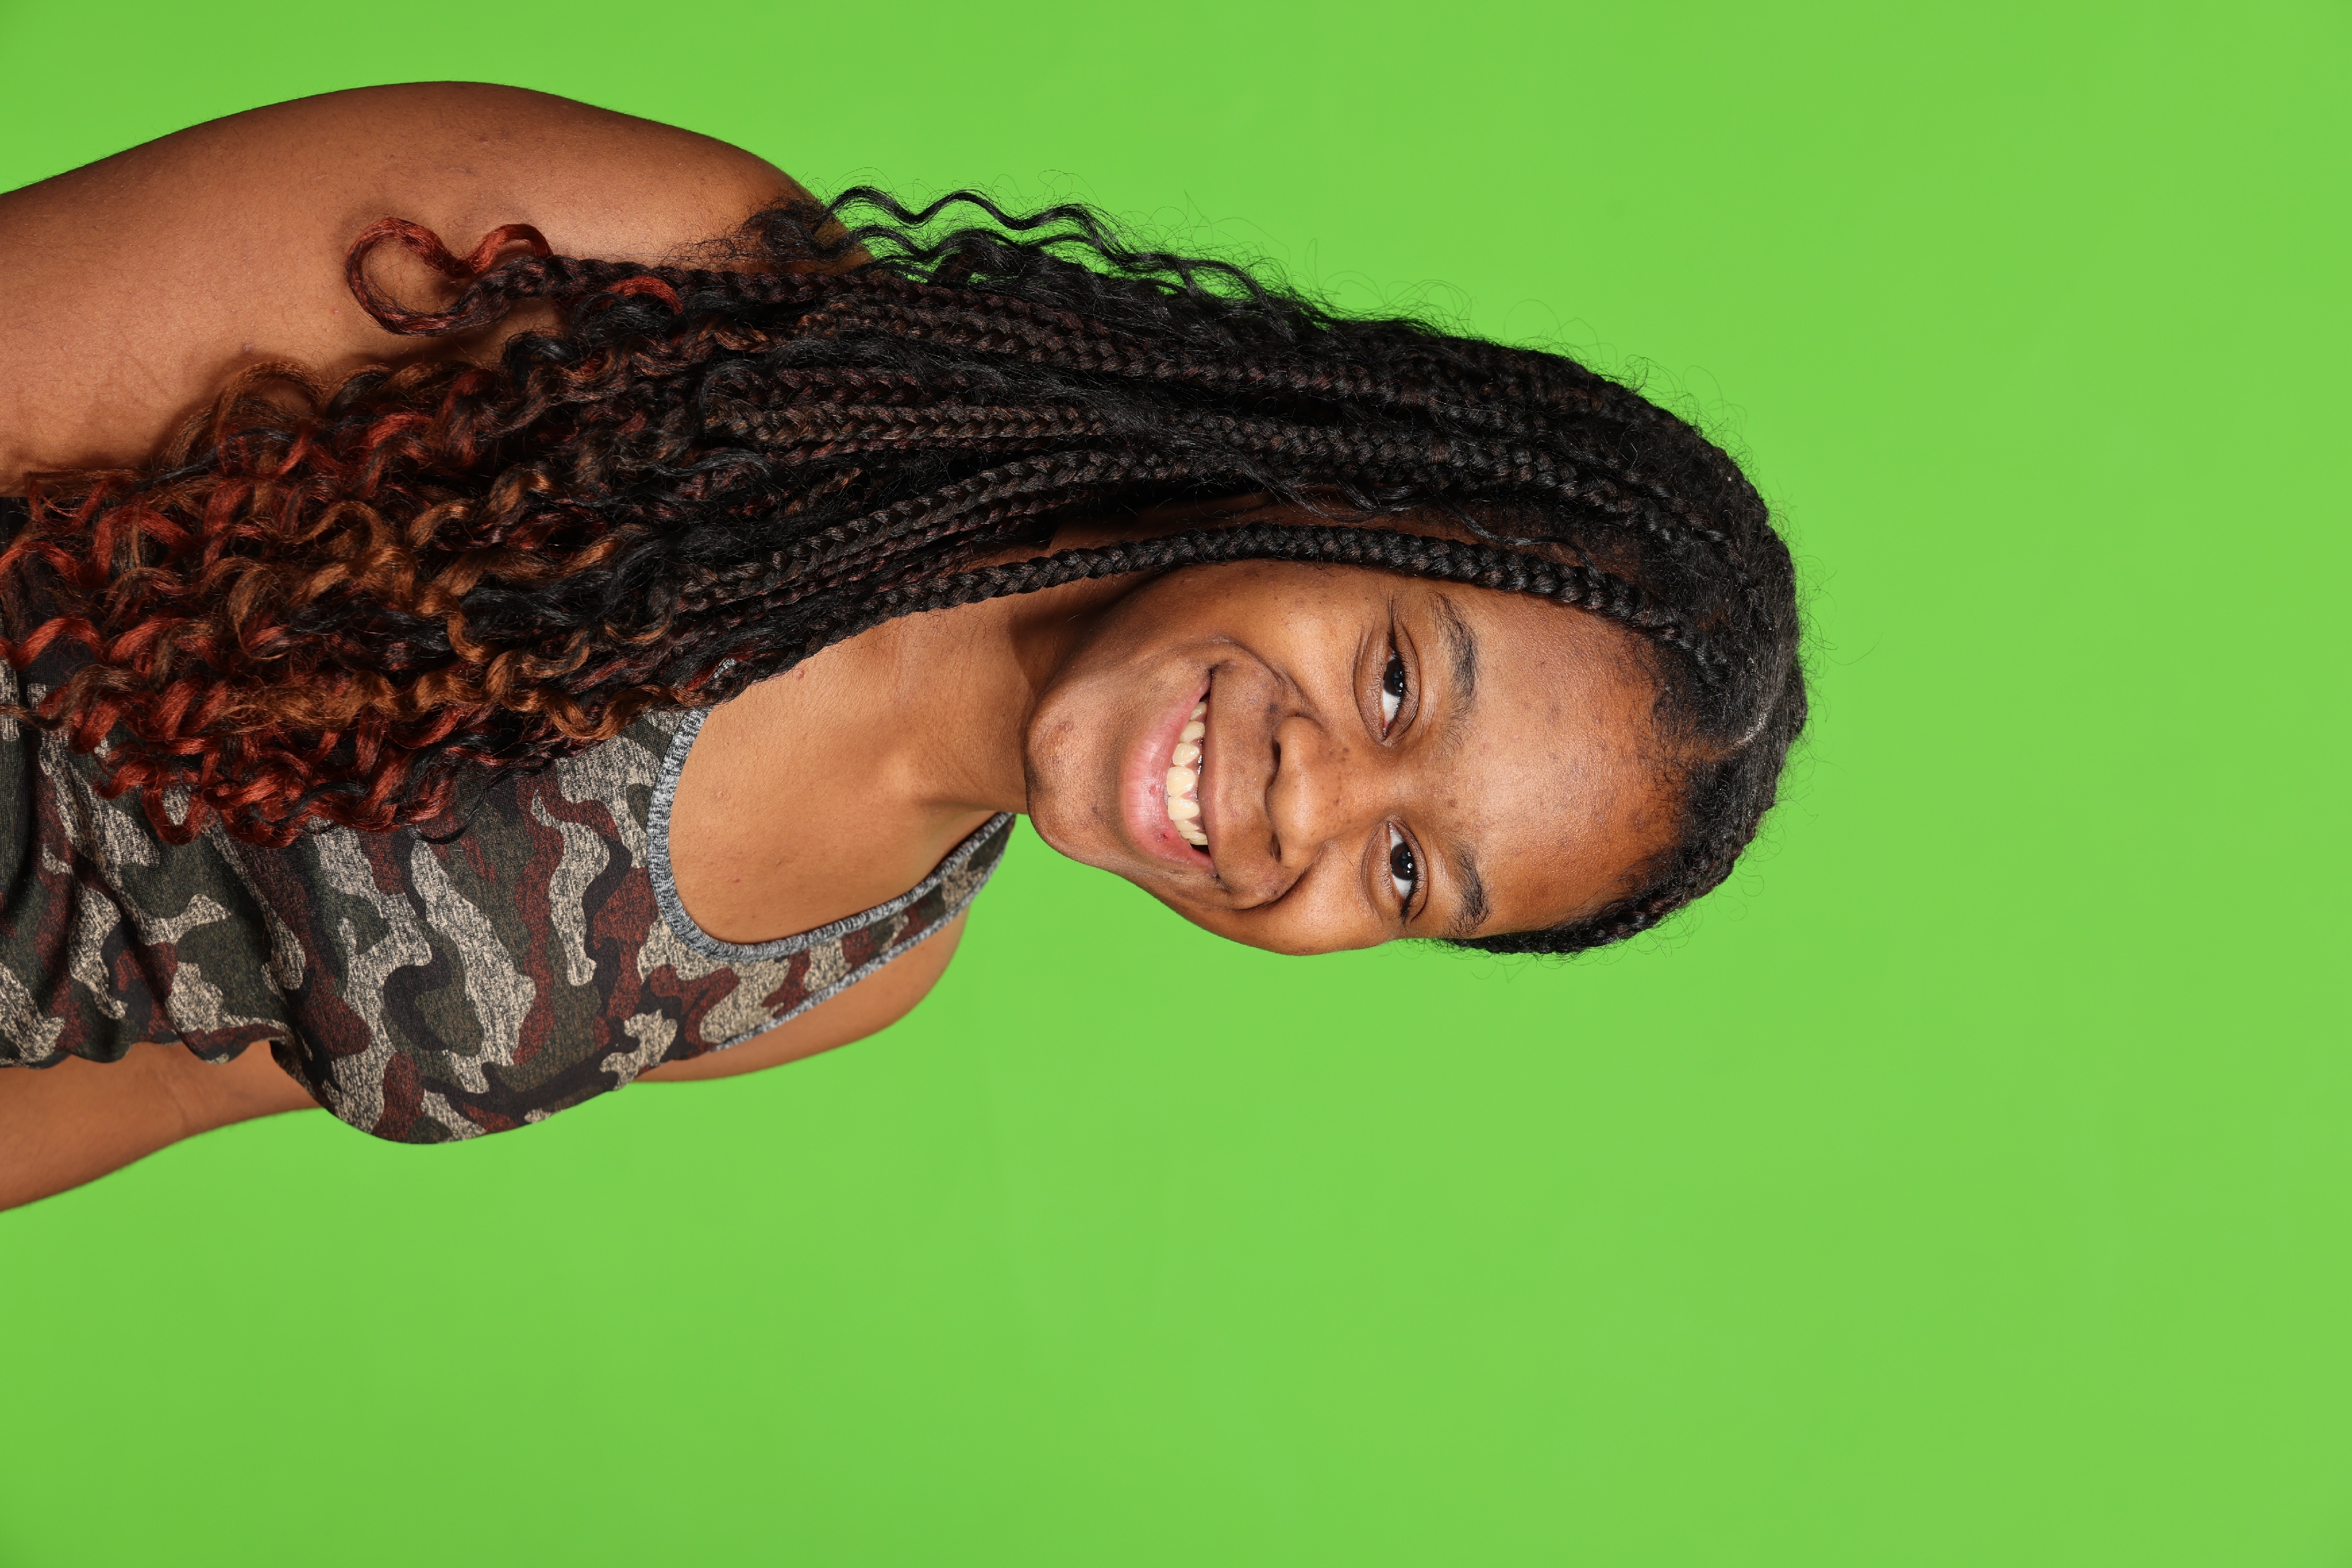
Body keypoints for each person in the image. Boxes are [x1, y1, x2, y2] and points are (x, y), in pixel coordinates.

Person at [0, 83, 1806, 1207]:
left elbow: (171, 1071)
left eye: (1410, 873)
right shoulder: (684, 302)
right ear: (1359, 490)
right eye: (1397, 681)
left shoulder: (851, 974)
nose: (1310, 805)